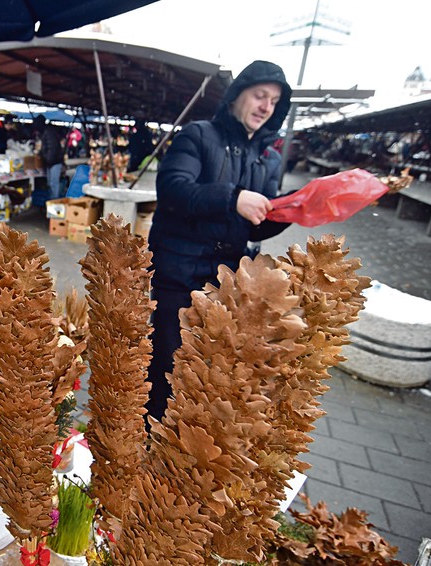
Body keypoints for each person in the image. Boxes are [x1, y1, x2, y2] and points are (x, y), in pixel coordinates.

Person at [146, 60, 293, 420]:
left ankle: (186, 448)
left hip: (225, 282)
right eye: (259, 95)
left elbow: (256, 224)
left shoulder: (267, 158)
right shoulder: (198, 136)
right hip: (177, 277)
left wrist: (291, 212)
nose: (265, 106)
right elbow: (173, 190)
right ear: (236, 95)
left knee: (207, 369)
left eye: (274, 101)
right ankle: (148, 439)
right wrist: (232, 197)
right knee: (167, 365)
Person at [35, 115, 65, 200]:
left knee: (53, 183)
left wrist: (47, 160)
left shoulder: (49, 132)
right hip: (51, 162)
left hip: (54, 162)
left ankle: (54, 201)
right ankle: (51, 201)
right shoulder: (45, 132)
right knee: (50, 183)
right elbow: (46, 147)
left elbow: (52, 148)